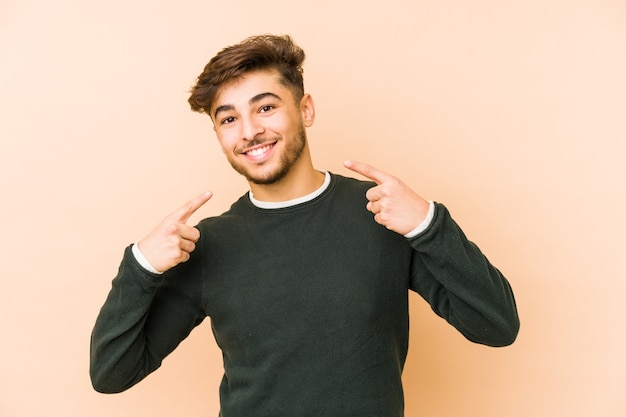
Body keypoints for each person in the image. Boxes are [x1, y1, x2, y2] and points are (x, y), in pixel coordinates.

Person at [90, 34, 519, 416]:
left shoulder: (382, 215)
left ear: (305, 109)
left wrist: (428, 224)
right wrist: (140, 266)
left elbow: (497, 325)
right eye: (228, 118)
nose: (250, 131)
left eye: (266, 107)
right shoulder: (209, 243)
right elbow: (112, 374)